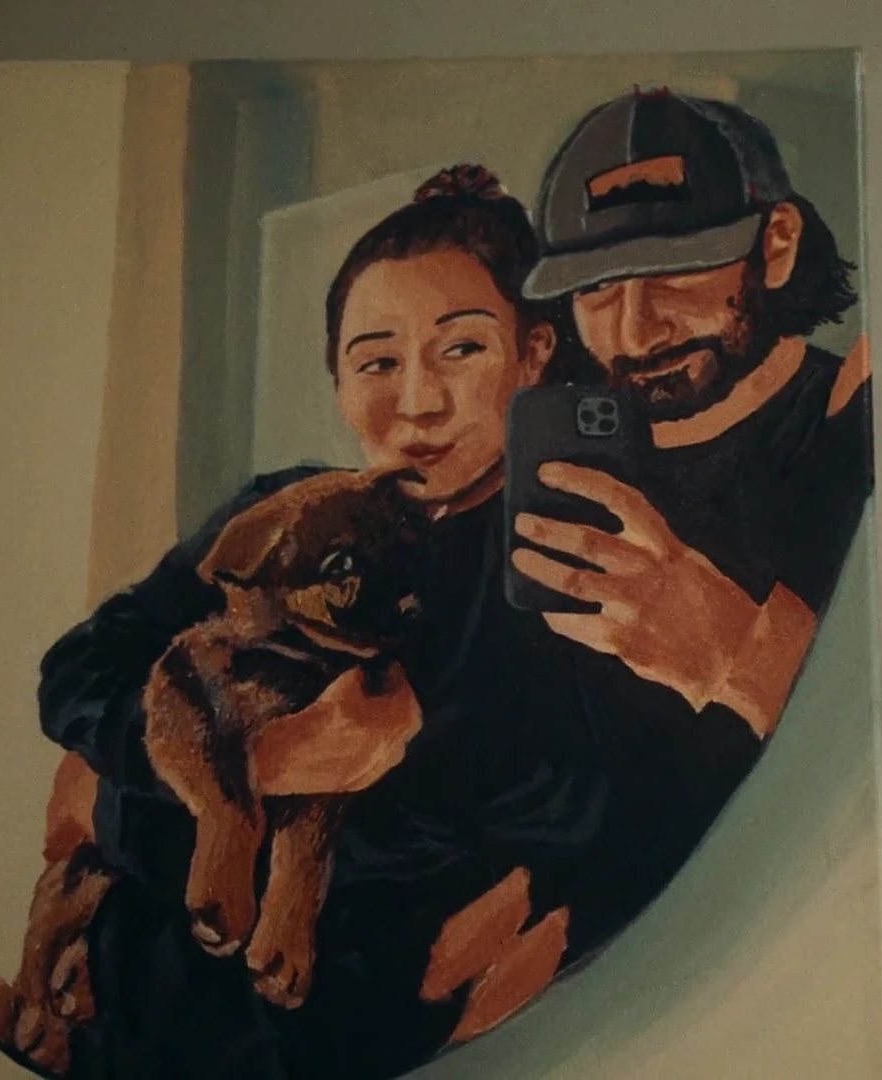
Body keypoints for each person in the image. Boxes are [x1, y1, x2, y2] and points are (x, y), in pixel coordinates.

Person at [38, 165, 609, 1079]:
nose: (416, 401)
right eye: (376, 361)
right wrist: (249, 770)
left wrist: (117, 803)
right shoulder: (287, 511)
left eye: (461, 349)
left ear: (534, 353)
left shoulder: (561, 554)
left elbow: (514, 832)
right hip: (127, 1024)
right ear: (336, 376)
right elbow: (76, 674)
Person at [501, 88, 876, 958]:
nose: (636, 329)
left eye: (674, 269)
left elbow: (878, 743)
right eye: (596, 289)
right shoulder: (553, 467)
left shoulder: (856, 425)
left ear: (776, 244)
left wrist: (724, 648)